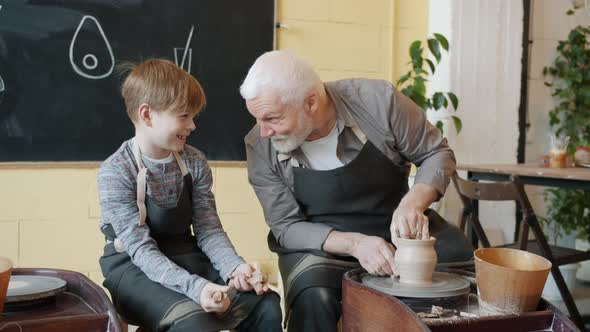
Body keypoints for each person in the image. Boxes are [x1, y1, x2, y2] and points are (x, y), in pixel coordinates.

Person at [240, 50, 472, 331]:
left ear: (310, 102)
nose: (263, 131)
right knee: (313, 294)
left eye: (272, 119)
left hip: (396, 229)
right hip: (323, 246)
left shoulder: (379, 102)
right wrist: (356, 244)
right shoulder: (260, 145)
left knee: (461, 266)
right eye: (258, 119)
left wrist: (413, 202)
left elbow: (436, 153)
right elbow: (286, 227)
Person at [98, 59, 282, 332]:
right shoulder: (116, 171)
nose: (193, 125)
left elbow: (209, 230)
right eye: (184, 116)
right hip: (133, 267)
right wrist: (197, 288)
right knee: (194, 320)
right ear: (147, 115)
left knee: (264, 304)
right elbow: (140, 249)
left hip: (185, 254)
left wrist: (236, 269)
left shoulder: (194, 162)